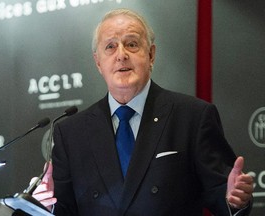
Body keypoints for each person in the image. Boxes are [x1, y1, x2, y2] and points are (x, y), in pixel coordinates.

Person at [31, 8, 254, 216]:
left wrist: (234, 201)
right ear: (98, 62)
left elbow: (222, 195)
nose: (121, 55)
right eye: (110, 46)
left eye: (132, 44)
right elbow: (64, 209)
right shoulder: (70, 133)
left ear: (151, 54)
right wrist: (46, 207)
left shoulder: (193, 116)